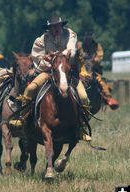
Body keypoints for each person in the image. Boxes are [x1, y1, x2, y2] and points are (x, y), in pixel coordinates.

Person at [9, 12, 91, 141]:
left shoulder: (71, 34)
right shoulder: (40, 41)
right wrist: (49, 62)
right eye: (52, 27)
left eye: (57, 26)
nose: (55, 29)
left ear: (61, 25)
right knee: (30, 90)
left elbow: (72, 53)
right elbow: (37, 60)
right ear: (48, 28)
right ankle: (22, 118)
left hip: (68, 72)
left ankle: (81, 128)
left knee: (84, 97)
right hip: (48, 72)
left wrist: (55, 57)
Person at [77, 31, 119, 110]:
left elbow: (99, 57)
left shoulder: (97, 46)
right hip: (80, 70)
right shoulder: (79, 45)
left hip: (93, 70)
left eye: (90, 36)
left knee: (100, 81)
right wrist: (81, 56)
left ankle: (108, 98)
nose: (88, 38)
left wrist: (93, 59)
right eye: (87, 36)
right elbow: (75, 54)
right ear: (84, 37)